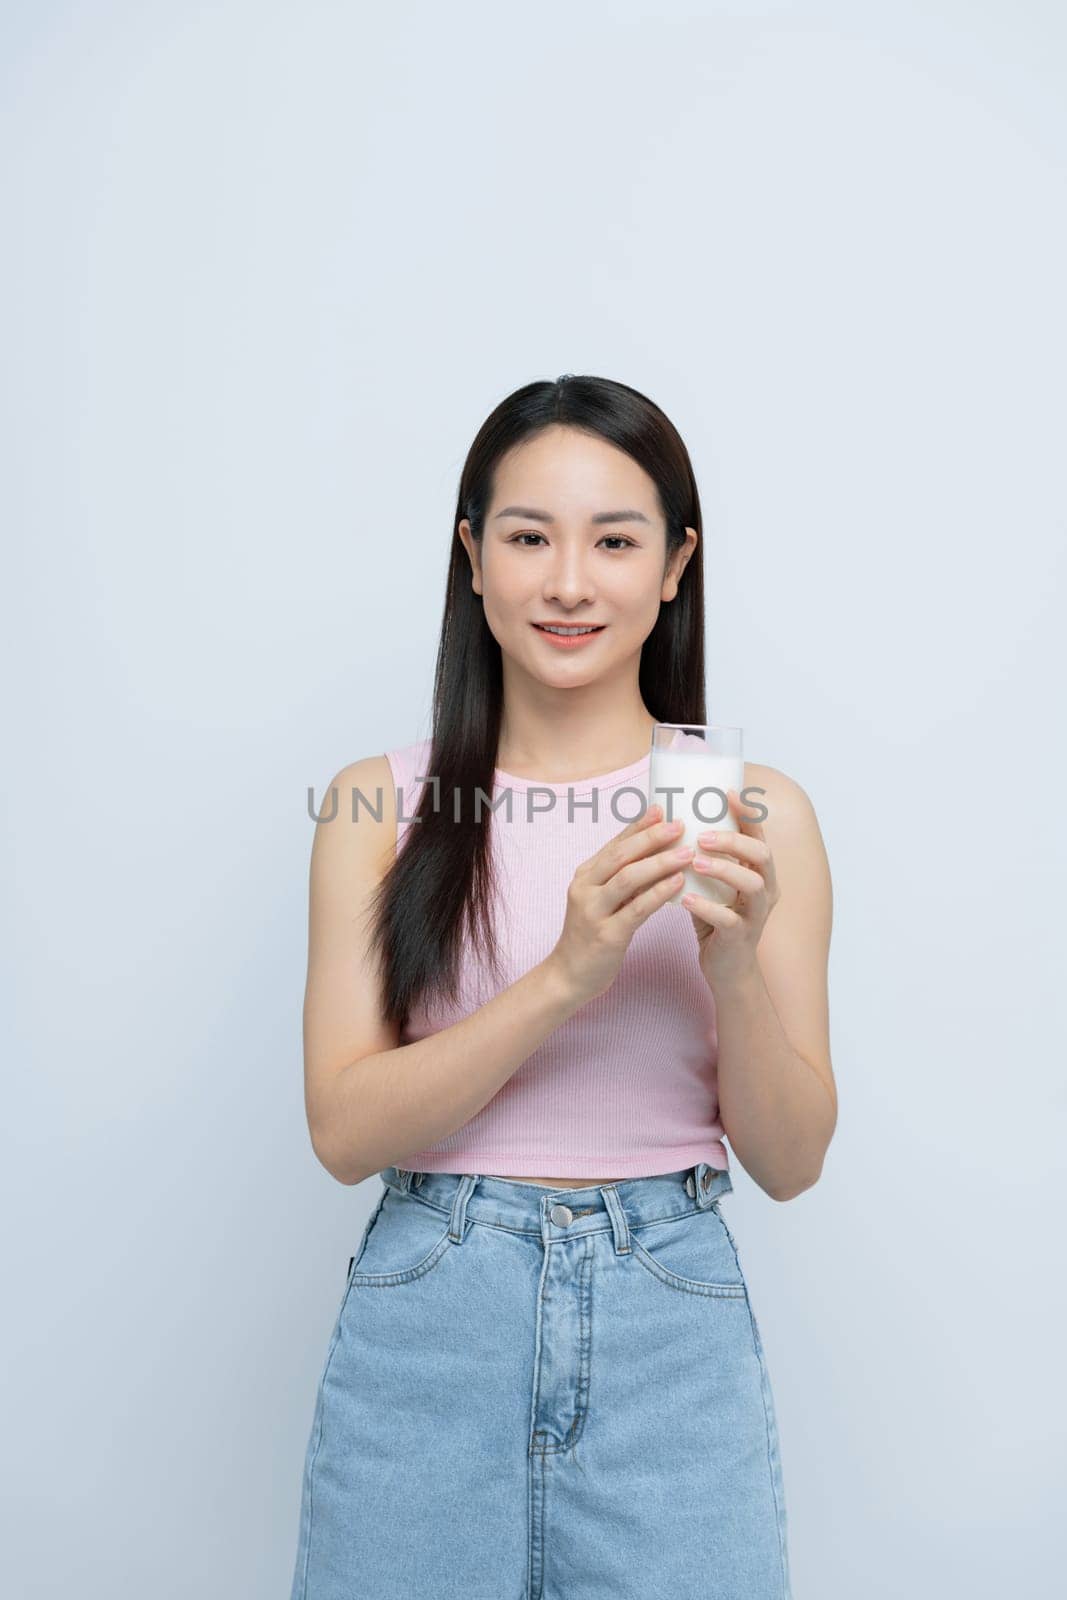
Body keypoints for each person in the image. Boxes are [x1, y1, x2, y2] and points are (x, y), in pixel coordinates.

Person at [288, 374, 836, 1600]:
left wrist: (732, 964)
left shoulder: (758, 814)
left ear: (675, 564)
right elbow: (342, 1130)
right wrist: (565, 976)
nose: (569, 582)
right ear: (472, 558)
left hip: (669, 1320)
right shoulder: (376, 806)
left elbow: (791, 1161)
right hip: (429, 1317)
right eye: (528, 537)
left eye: (615, 540)